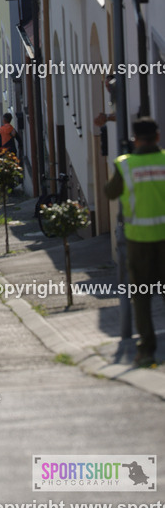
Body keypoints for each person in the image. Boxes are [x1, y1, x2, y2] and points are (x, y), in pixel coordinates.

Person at [105, 117, 165, 368]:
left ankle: (147, 350)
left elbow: (110, 193)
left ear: (135, 139)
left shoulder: (126, 166)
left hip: (139, 241)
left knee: (141, 297)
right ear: (158, 137)